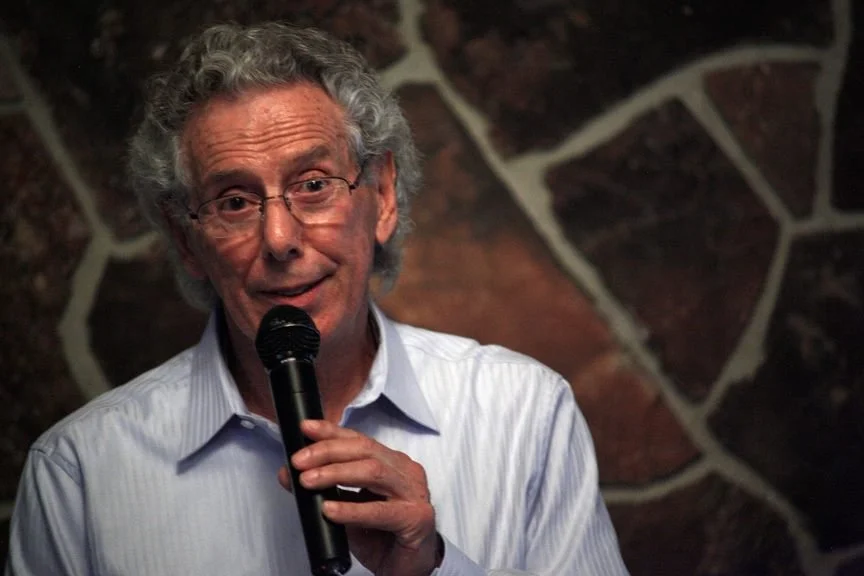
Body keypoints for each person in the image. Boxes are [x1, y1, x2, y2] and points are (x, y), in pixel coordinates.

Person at [5, 22, 628, 576]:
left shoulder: (523, 414)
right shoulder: (79, 473)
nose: (280, 239)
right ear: (186, 240)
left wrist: (430, 569)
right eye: (234, 201)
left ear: (381, 195)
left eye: (312, 184)